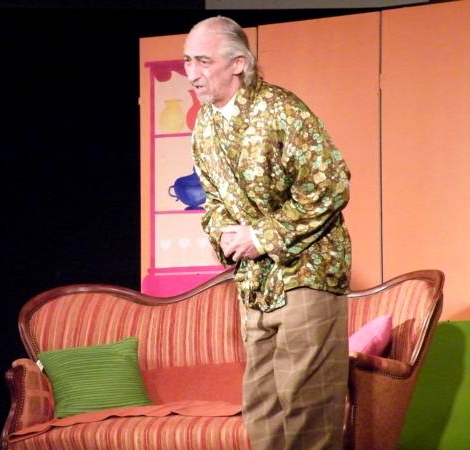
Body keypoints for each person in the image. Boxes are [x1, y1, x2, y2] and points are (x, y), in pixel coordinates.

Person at [184, 16, 352, 450]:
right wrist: (224, 234)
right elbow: (213, 199)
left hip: (307, 272)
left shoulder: (280, 109)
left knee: (307, 408)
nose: (192, 73)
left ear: (238, 64)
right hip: (256, 283)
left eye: (203, 61)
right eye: (188, 61)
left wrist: (261, 236)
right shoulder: (205, 125)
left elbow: (330, 185)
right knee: (262, 407)